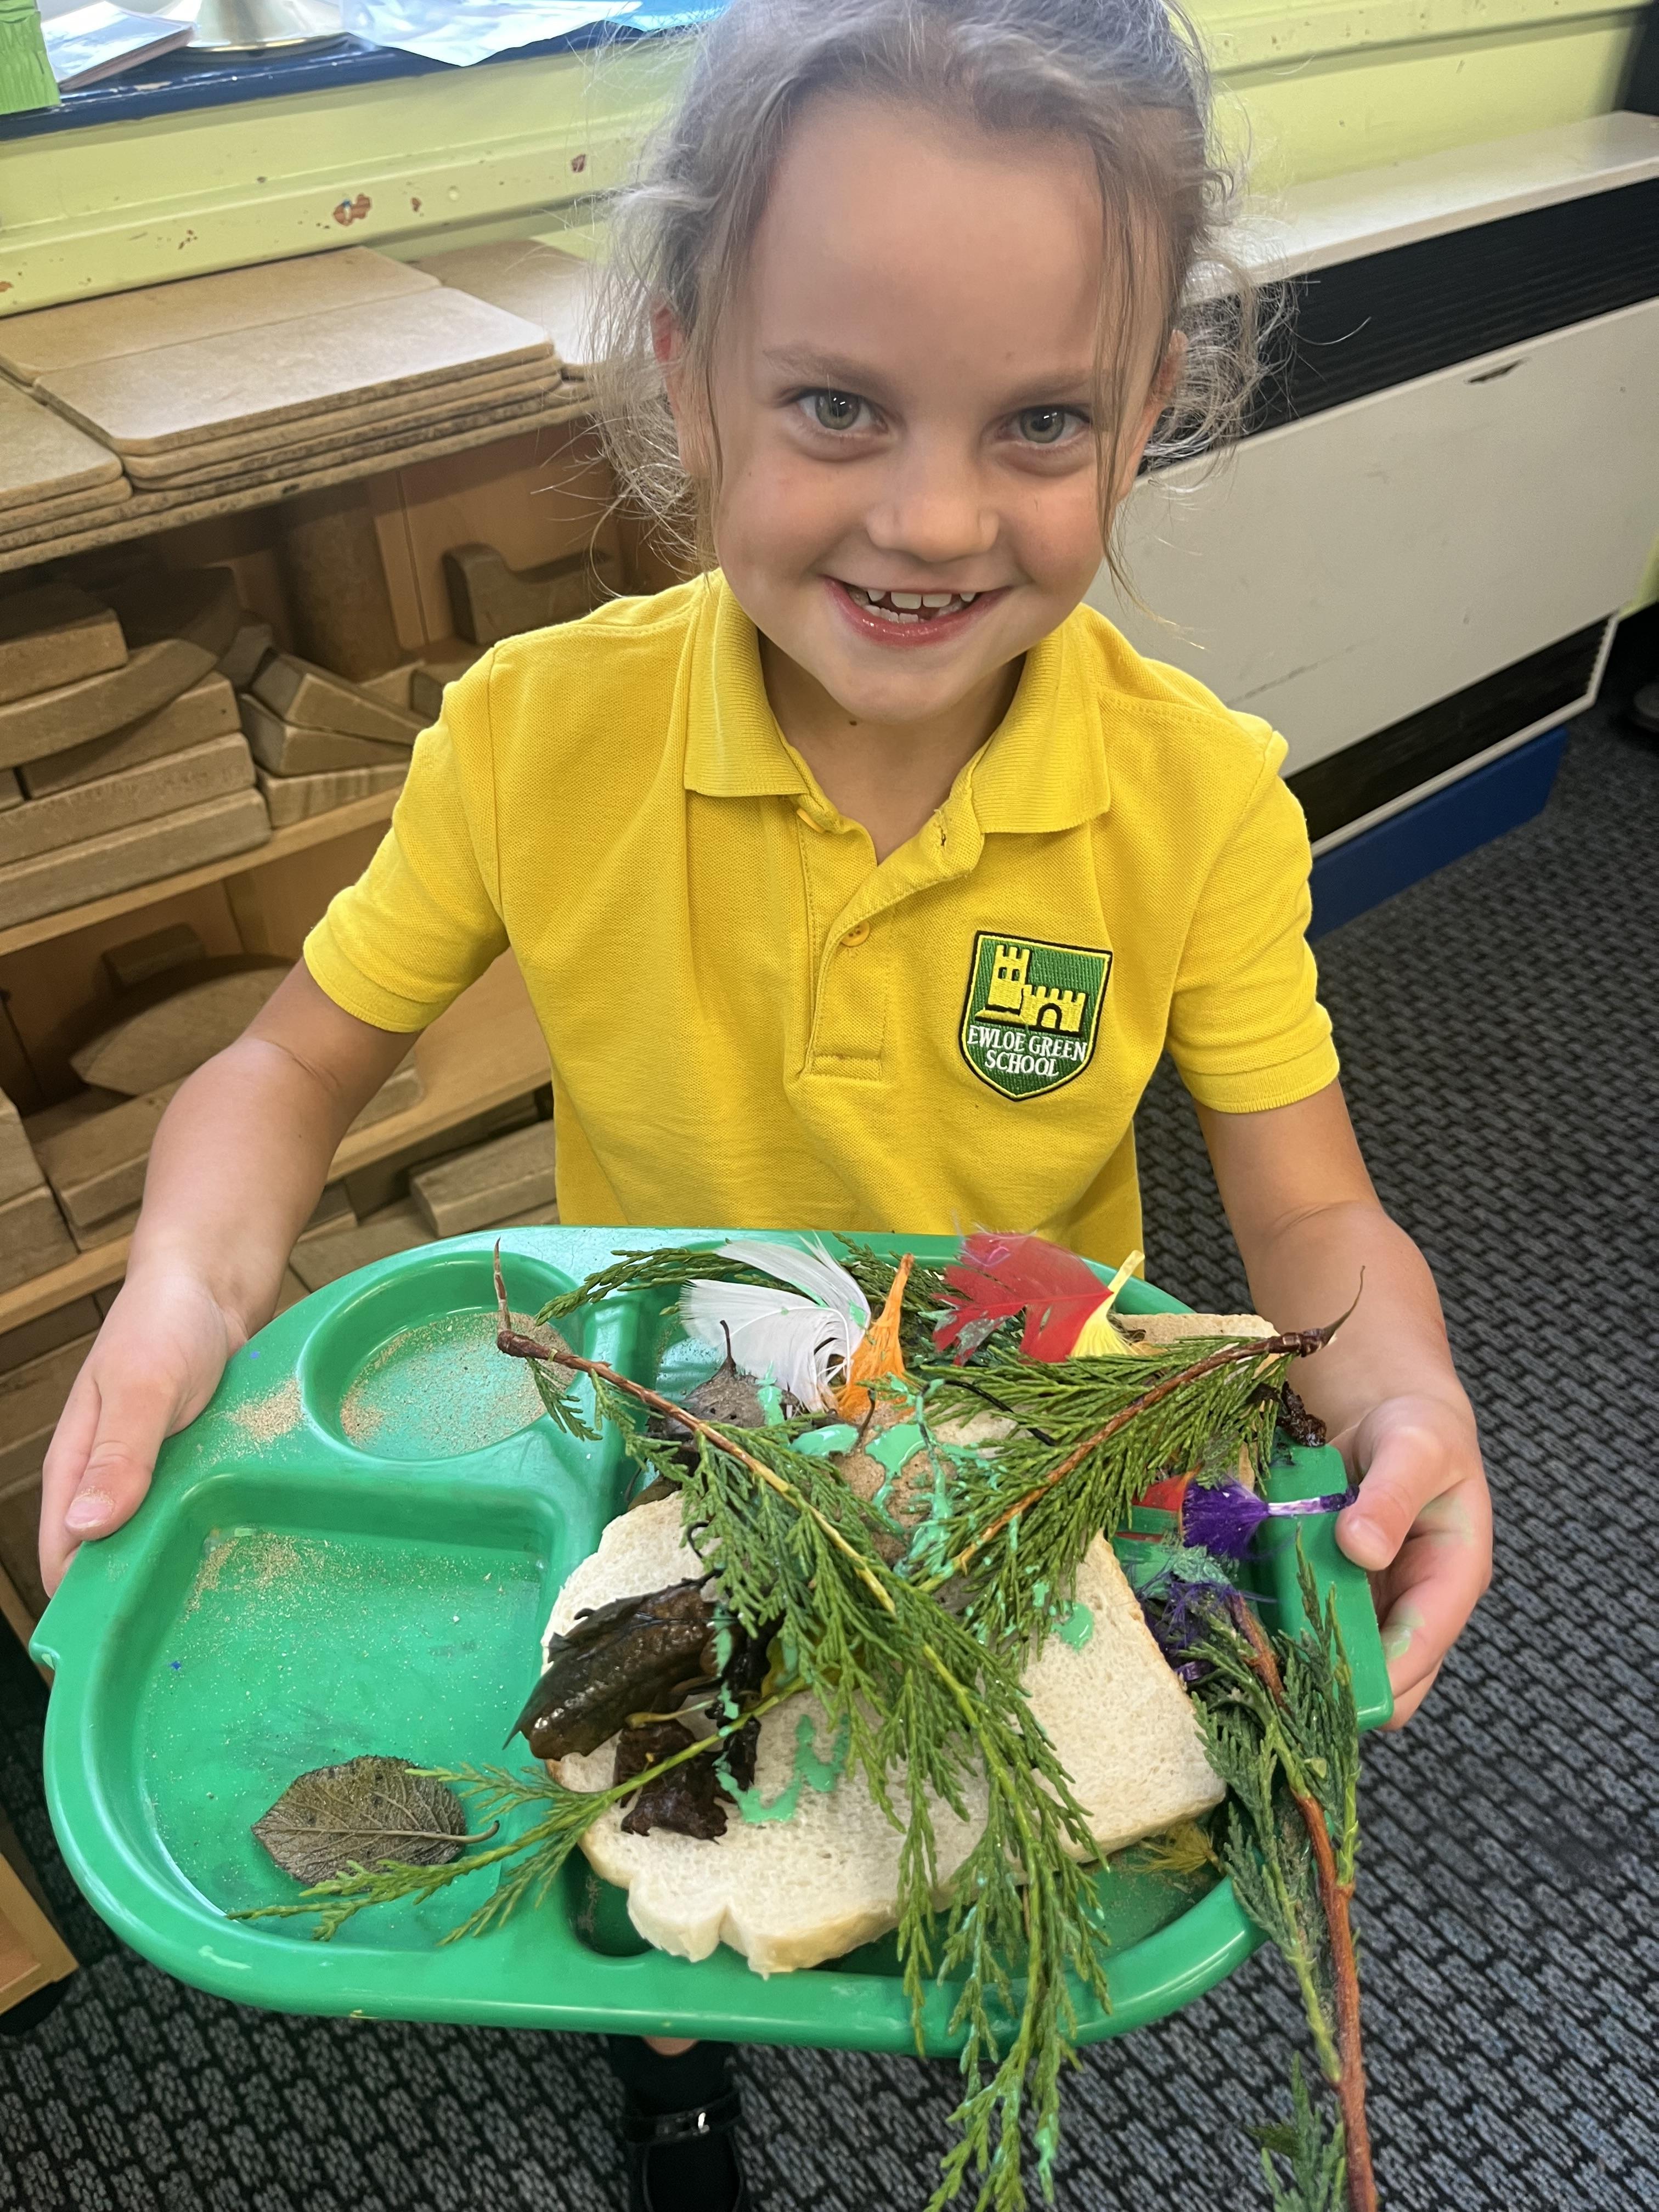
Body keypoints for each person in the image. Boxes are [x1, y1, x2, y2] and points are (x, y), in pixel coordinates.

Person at [40, 0, 1494, 2204]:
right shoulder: (535, 735)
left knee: (955, 1822)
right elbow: (285, 1064)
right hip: (671, 1423)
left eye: (1040, 421)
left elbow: (1313, 1226)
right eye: (835, 404)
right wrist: (178, 1287)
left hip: (1014, 1453)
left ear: (1149, 413)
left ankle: (921, 1980)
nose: (933, 517)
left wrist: (1406, 1391)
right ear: (685, 369)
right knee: (663, 1808)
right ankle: (675, 2050)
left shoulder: (1198, 800)